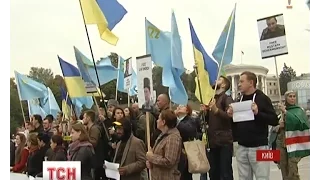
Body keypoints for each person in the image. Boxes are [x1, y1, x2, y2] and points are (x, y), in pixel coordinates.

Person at [227, 71, 278, 180]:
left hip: (260, 147)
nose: (238, 84)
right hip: (241, 147)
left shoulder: (263, 98)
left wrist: (258, 113)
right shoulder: (238, 100)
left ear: (251, 82)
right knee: (243, 178)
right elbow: (236, 124)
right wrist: (231, 116)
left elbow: (274, 120)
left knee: (262, 178)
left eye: (241, 81)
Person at [202, 76, 234, 180]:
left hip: (224, 142)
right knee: (213, 173)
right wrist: (205, 112)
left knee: (225, 173)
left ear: (224, 85)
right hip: (213, 142)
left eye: (219, 79)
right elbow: (208, 121)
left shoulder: (227, 98)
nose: (215, 80)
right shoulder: (212, 100)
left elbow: (230, 117)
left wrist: (216, 111)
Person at [276, 91, 310, 180]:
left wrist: (286, 112)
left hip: (294, 143)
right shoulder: (281, 113)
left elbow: (300, 123)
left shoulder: (299, 110)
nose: (292, 98)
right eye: (290, 96)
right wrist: (279, 126)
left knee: (292, 168)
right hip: (282, 143)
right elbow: (273, 129)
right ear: (286, 98)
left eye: (294, 96)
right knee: (283, 167)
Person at [146, 109, 182, 180]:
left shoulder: (173, 138)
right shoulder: (163, 135)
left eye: (159, 118)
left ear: (163, 122)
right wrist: (151, 163)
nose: (157, 120)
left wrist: (151, 157)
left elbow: (169, 161)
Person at [176, 104, 198, 180]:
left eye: (182, 106)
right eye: (178, 106)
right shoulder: (176, 119)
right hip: (177, 151)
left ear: (187, 110)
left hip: (186, 151)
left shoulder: (191, 120)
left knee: (185, 175)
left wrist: (178, 121)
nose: (179, 107)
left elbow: (189, 130)